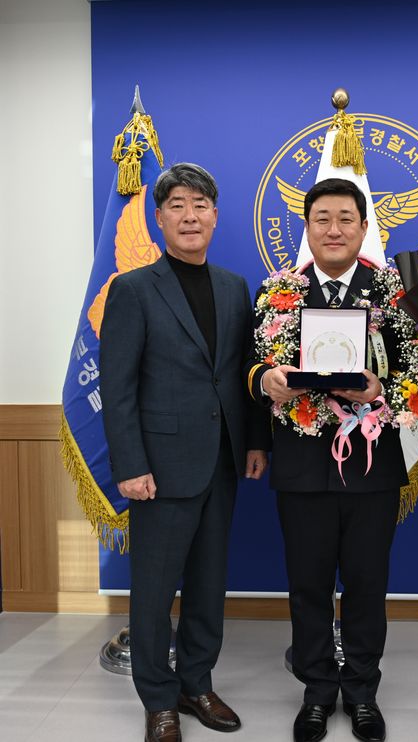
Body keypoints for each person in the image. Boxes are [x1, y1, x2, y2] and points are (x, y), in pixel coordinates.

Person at [101, 163, 271, 742]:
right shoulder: (132, 290)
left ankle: (196, 682)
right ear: (160, 218)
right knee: (153, 589)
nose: (190, 215)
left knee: (207, 583)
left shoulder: (232, 286)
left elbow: (238, 374)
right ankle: (158, 699)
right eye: (177, 205)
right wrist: (129, 466)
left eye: (200, 204)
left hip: (221, 460)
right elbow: (117, 387)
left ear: (216, 217)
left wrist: (253, 440)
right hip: (159, 467)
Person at [248, 178, 408, 742]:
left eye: (346, 218)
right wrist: (267, 381)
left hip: (371, 464)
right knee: (308, 586)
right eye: (322, 218)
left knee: (367, 585)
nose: (333, 229)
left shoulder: (392, 290)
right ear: (307, 227)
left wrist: (381, 390)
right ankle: (317, 691)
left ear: (365, 228)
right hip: (300, 466)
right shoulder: (277, 291)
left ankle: (362, 691)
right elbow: (252, 367)